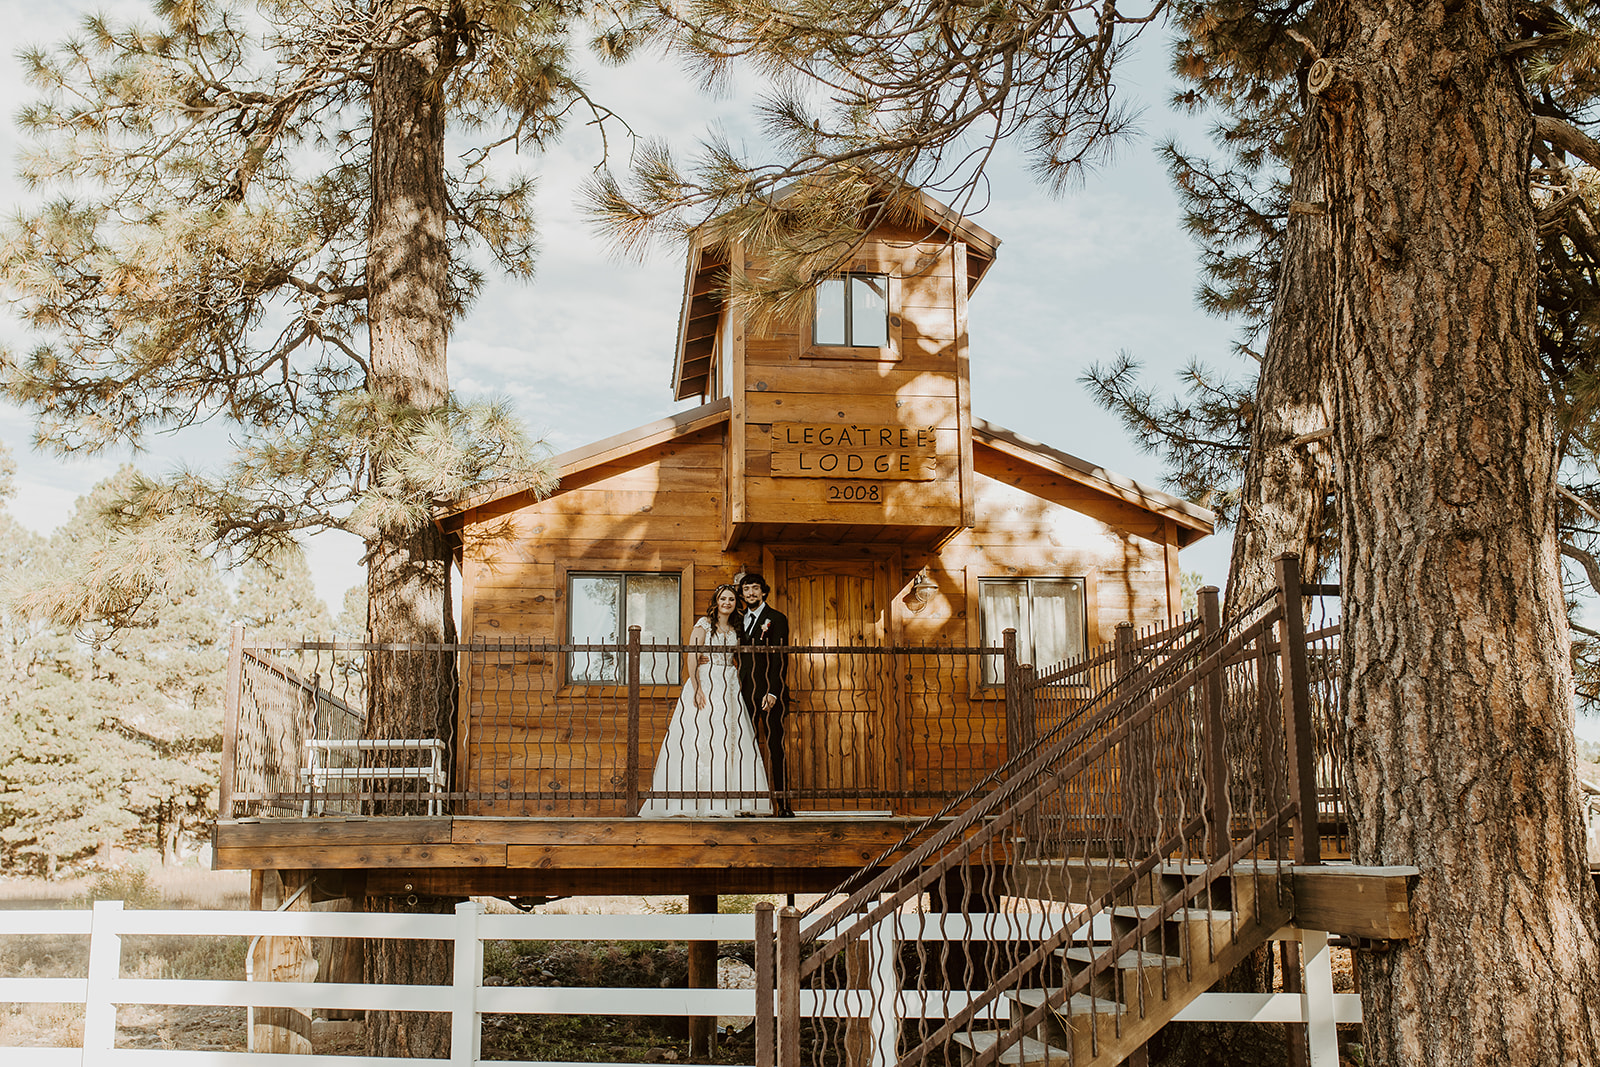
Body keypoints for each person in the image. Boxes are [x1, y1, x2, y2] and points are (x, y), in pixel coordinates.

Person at [640, 585, 772, 818]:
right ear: (716, 601)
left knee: (729, 737)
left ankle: (728, 799)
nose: (727, 602)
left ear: (735, 602)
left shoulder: (736, 628)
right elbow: (692, 654)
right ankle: (696, 801)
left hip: (728, 684)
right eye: (723, 598)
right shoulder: (704, 624)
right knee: (703, 735)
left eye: (731, 599)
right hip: (707, 681)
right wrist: (697, 687)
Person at [735, 573, 794, 817]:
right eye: (747, 589)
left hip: (770, 693)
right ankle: (748, 804)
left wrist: (773, 691)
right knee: (744, 747)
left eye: (755, 588)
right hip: (744, 693)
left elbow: (781, 657)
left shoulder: (776, 619)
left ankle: (784, 805)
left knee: (775, 747)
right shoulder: (740, 622)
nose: (751, 593)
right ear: (743, 594)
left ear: (764, 592)